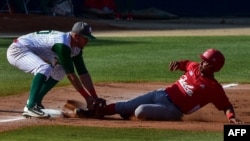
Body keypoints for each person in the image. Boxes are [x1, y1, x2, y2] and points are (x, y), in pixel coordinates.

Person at [75, 48, 242, 124]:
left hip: (173, 110)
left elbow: (226, 105)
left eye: (205, 61)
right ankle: (93, 113)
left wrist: (231, 118)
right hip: (160, 94)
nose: (202, 61)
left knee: (140, 111)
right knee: (124, 106)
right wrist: (177, 64)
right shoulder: (194, 67)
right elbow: (186, 63)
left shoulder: (213, 88)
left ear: (213, 67)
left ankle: (132, 114)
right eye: (203, 59)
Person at [7, 21, 101, 118]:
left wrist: (94, 97)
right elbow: (71, 76)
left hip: (34, 51)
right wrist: (87, 97)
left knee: (61, 69)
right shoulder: (62, 44)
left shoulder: (76, 48)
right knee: (43, 68)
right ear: (76, 37)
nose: (87, 41)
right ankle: (30, 107)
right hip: (18, 50)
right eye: (85, 38)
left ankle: (37, 101)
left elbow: (83, 73)